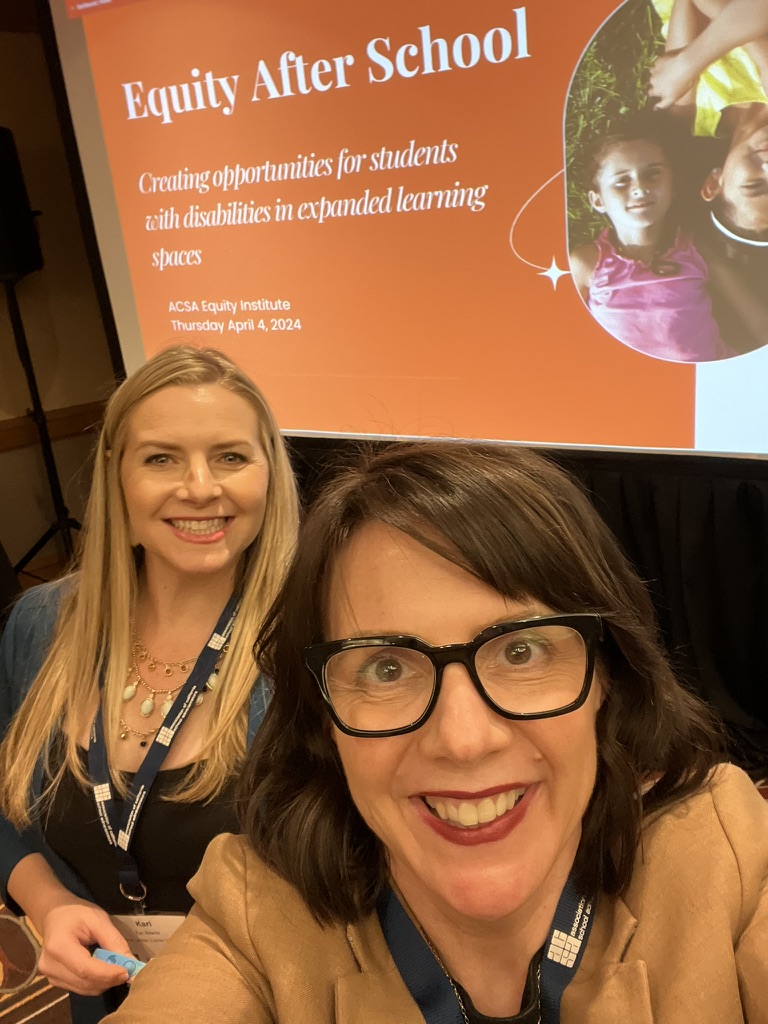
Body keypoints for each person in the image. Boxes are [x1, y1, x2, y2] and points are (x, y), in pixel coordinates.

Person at [101, 442, 768, 1023]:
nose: (463, 739)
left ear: (607, 676)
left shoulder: (724, 855)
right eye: (387, 667)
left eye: (521, 652)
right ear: (323, 716)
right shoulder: (256, 915)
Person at [0, 345, 298, 1024]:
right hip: (103, 1003)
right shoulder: (41, 626)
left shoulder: (311, 647)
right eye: (161, 458)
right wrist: (49, 903)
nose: (200, 487)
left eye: (231, 456)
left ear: (268, 475)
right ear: (117, 479)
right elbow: (4, 805)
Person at [569, 127, 730, 361]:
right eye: (622, 181)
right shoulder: (587, 263)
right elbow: (559, 330)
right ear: (598, 200)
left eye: (652, 175)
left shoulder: (698, 252)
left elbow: (757, 320)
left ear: (673, 186)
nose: (640, 188)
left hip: (699, 385)